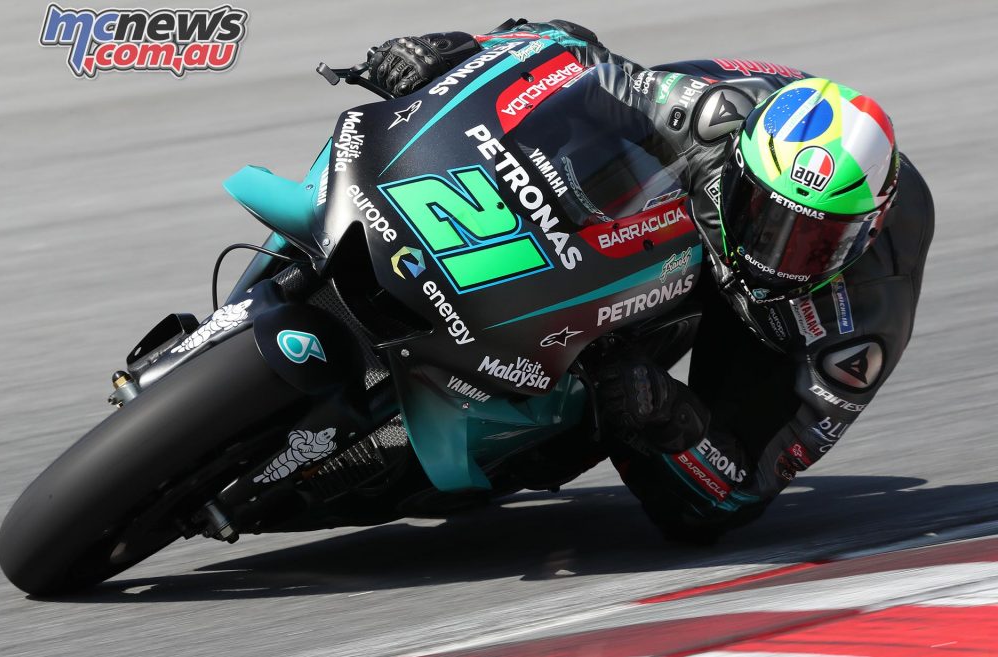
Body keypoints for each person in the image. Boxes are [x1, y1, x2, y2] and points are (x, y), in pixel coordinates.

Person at [365, 19, 935, 542]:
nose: (777, 254)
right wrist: (454, 59)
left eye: (815, 243)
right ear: (740, 168)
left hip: (761, 322)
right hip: (688, 202)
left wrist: (670, 419)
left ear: (867, 230)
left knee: (672, 478)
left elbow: (745, 485)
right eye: (766, 217)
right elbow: (566, 52)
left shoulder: (865, 310)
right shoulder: (713, 115)